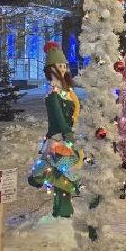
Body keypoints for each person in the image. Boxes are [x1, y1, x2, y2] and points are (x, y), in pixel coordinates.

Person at [27, 41, 82, 218]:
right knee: (63, 169)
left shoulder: (66, 90)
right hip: (59, 137)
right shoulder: (53, 93)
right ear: (51, 68)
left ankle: (62, 207)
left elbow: (72, 110)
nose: (63, 68)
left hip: (67, 135)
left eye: (64, 65)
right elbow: (57, 117)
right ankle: (61, 207)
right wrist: (67, 133)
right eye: (59, 65)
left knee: (65, 171)